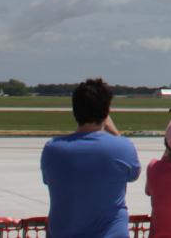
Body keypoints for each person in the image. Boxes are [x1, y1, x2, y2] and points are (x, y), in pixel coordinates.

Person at [41, 78, 142, 238]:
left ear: (75, 110)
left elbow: (48, 180)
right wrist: (115, 133)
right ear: (107, 112)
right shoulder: (123, 147)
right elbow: (133, 174)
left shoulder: (52, 148)